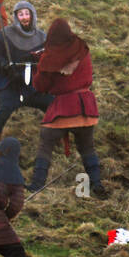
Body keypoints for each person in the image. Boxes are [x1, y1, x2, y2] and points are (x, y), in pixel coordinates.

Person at [29, 19, 106, 197]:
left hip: (65, 106)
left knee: (46, 142)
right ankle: (96, 183)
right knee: (87, 147)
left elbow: (40, 86)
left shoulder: (51, 57)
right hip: (86, 105)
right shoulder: (81, 47)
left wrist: (39, 68)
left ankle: (37, 184)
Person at [0, 0, 53, 153]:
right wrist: (4, 66)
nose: (24, 17)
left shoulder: (43, 37)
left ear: (32, 15)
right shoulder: (4, 35)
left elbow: (51, 59)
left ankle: (55, 139)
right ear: (16, 17)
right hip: (10, 82)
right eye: (20, 14)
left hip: (33, 85)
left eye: (27, 13)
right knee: (6, 108)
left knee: (53, 105)